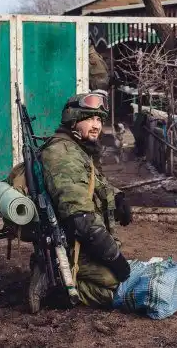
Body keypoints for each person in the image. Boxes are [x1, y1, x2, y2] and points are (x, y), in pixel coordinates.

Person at [28, 91, 132, 313]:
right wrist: (114, 257)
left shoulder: (76, 148)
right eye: (90, 119)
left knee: (121, 274)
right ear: (73, 120)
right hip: (72, 246)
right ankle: (54, 284)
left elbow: (94, 182)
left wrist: (118, 197)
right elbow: (81, 219)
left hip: (81, 241)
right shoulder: (63, 154)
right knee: (116, 283)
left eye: (99, 120)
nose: (97, 126)